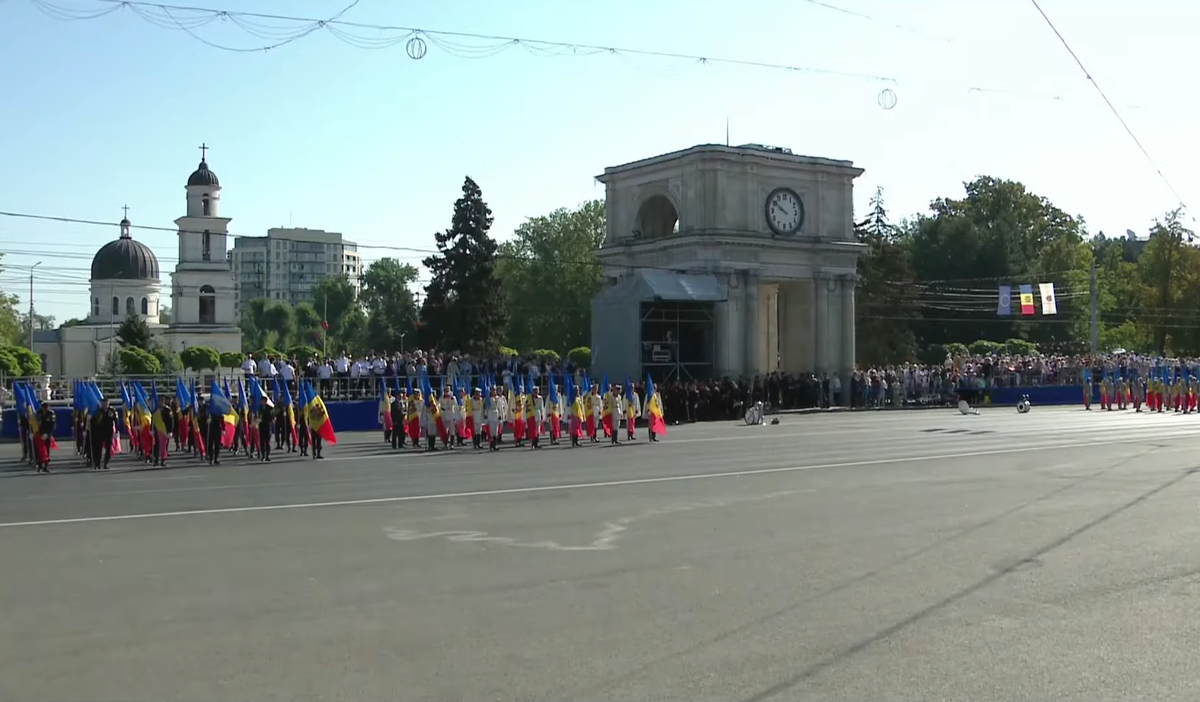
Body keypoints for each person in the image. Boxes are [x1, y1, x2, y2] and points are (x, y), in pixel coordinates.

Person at [90, 399, 117, 470]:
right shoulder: (97, 412)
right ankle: (97, 463)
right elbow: (93, 423)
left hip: (109, 432)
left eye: (106, 403)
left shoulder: (112, 411)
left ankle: (106, 463)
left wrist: (116, 431)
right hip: (99, 432)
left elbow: (116, 421)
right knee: (98, 449)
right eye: (103, 403)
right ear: (101, 404)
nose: (105, 405)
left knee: (108, 449)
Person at [34, 403, 55, 473]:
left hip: (47, 434)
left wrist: (47, 434)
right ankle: (40, 465)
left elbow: (52, 425)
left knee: (47, 450)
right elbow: (34, 422)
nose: (45, 409)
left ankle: (46, 466)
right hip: (39, 434)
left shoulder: (51, 413)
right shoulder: (38, 413)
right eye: (44, 407)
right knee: (39, 451)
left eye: (46, 407)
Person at [257, 398, 275, 462]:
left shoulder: (270, 408)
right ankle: (263, 456)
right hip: (261, 427)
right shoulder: (260, 408)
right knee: (262, 442)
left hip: (267, 426)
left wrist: (273, 419)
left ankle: (267, 455)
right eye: (262, 401)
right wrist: (258, 420)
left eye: (264, 401)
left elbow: (272, 416)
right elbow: (258, 416)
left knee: (267, 442)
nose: (262, 402)